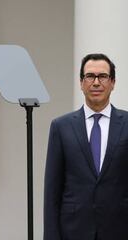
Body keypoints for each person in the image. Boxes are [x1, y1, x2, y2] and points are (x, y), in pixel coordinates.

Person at [44, 53, 128, 240]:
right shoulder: (61, 127)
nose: (96, 82)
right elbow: (52, 193)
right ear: (81, 83)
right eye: (90, 76)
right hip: (73, 232)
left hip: (119, 230)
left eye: (103, 76)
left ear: (113, 83)